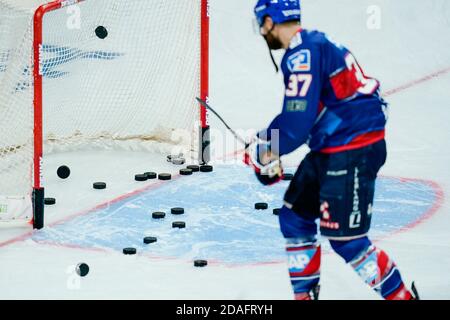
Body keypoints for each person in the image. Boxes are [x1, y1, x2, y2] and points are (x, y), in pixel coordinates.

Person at [245, 0, 419, 300]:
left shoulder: (302, 54)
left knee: (348, 241)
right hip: (336, 144)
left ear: (271, 21)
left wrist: (265, 150)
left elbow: (296, 126)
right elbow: (297, 115)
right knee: (294, 218)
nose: (261, 30)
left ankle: (402, 297)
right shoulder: (312, 43)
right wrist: (264, 142)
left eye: (262, 22)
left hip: (353, 148)